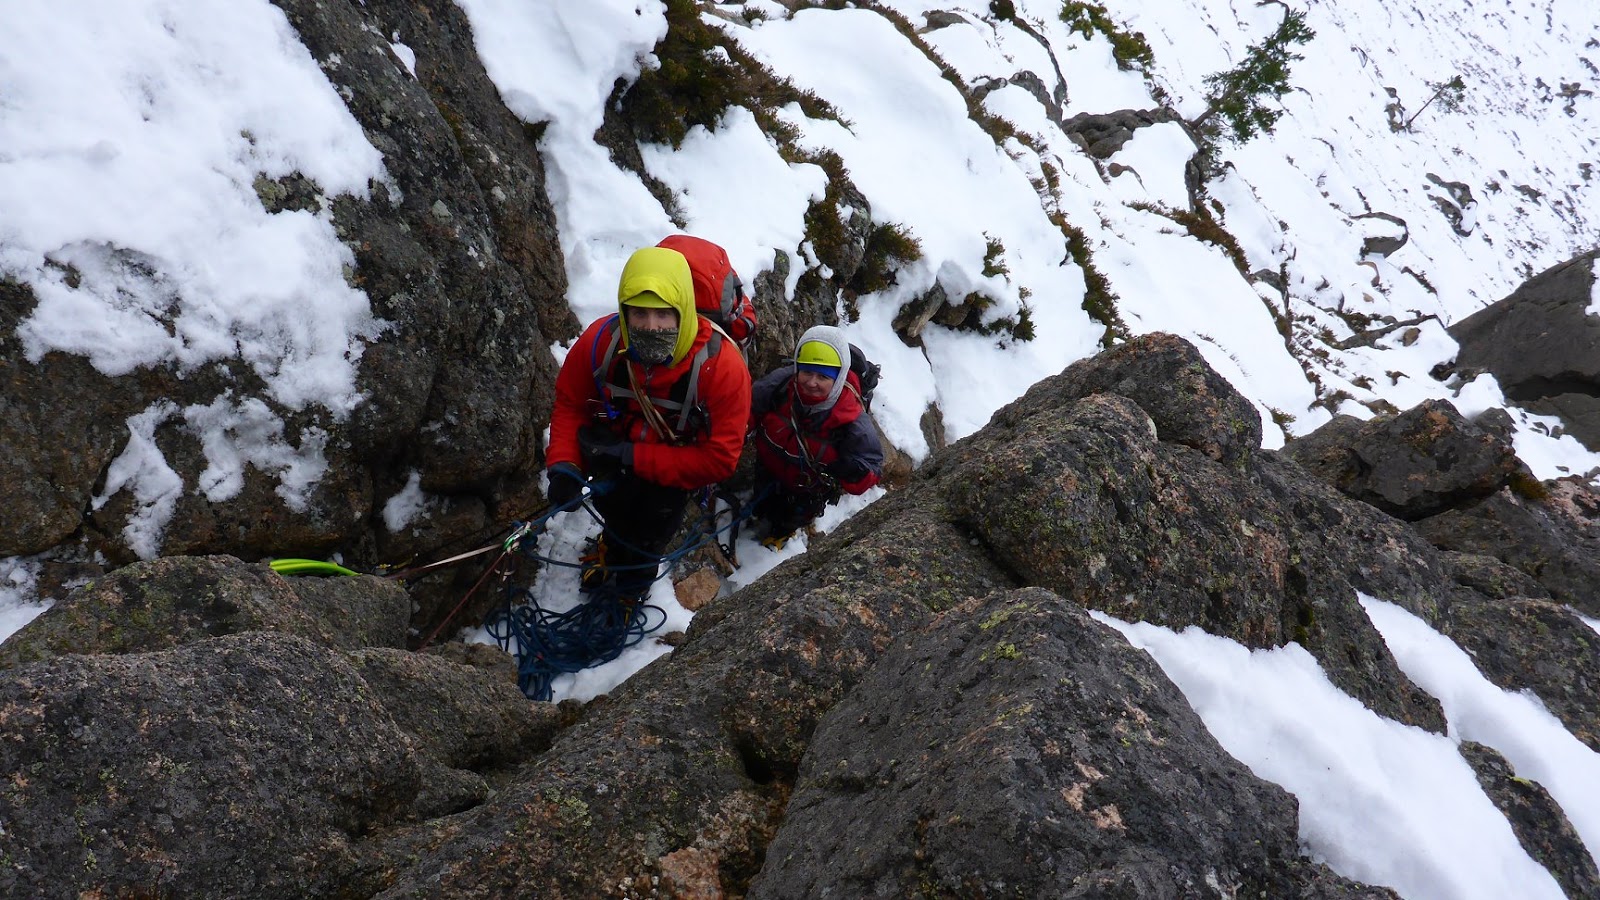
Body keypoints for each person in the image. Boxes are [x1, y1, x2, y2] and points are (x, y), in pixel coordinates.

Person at [545, 245, 752, 602]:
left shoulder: (721, 368)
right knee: (614, 512)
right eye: (639, 313)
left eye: (663, 315)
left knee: (650, 535)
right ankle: (611, 551)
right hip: (614, 451)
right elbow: (570, 402)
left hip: (673, 471)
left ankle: (631, 590)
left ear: (683, 311)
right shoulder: (602, 342)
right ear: (624, 312)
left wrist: (630, 456)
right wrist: (564, 465)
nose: (651, 326)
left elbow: (720, 460)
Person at [749, 325, 884, 547]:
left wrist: (853, 472)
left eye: (822, 376)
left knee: (788, 518)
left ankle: (781, 534)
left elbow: (871, 468)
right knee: (761, 502)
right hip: (767, 467)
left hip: (805, 490)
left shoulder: (852, 420)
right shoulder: (780, 385)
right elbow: (747, 408)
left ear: (837, 379)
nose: (812, 383)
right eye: (807, 372)